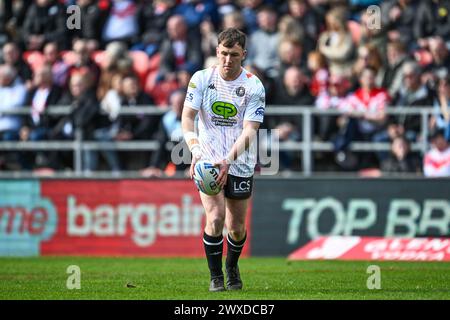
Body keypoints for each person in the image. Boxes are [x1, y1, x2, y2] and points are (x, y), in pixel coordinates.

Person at [181, 28, 265, 292]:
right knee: (215, 218)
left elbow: (250, 130)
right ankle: (216, 276)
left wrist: (228, 160)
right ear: (217, 51)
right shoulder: (201, 79)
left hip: (239, 162)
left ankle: (231, 266)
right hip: (207, 160)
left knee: (236, 228)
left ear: (244, 55)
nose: (228, 60)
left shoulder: (253, 85)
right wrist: (195, 152)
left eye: (234, 55)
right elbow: (187, 117)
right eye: (224, 54)